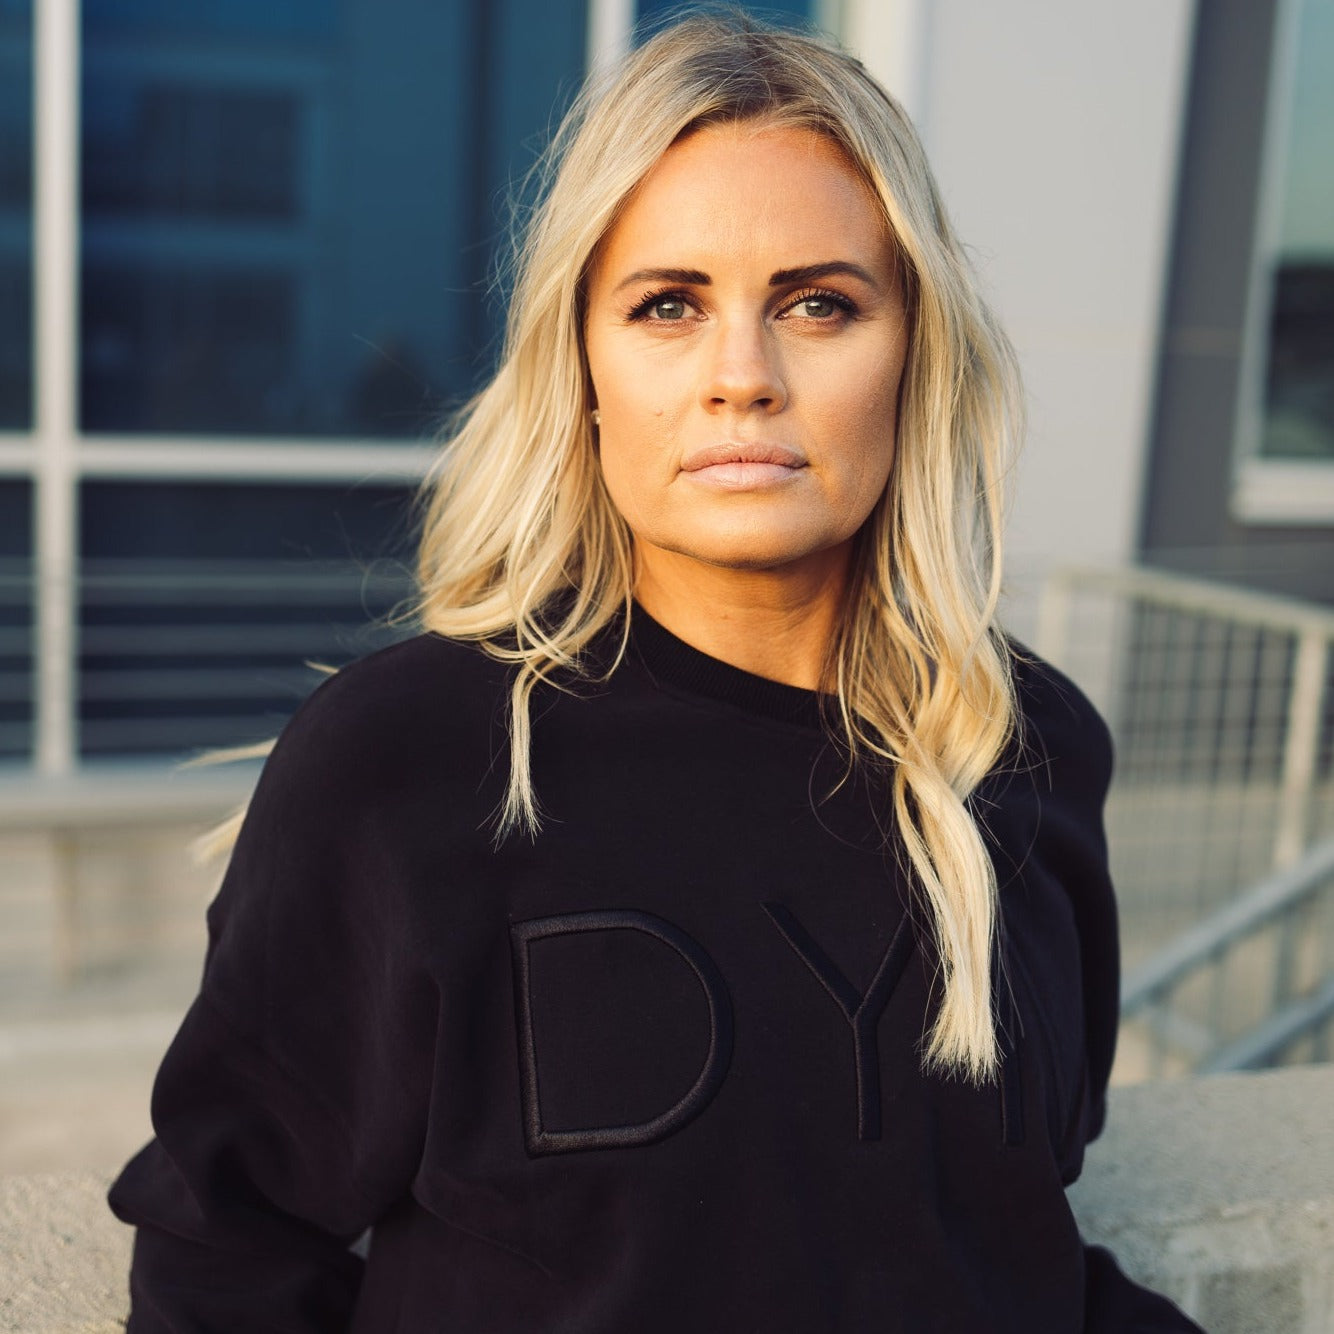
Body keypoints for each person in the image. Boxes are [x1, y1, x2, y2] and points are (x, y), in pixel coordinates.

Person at [109, 12, 1204, 1332]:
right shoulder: (408, 758)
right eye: (666, 305)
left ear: (914, 351)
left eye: (818, 304)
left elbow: (996, 1239)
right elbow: (221, 1252)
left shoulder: (1026, 744)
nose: (741, 377)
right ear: (581, 365)